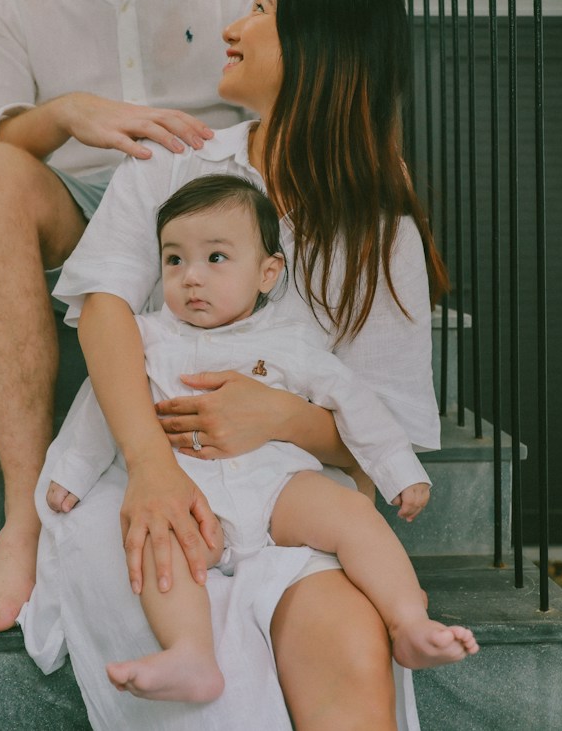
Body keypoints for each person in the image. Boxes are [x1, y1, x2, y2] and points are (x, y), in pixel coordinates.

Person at [22, 0, 450, 729]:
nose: (232, 26)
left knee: (355, 646)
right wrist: (152, 466)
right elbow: (105, 309)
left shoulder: (383, 237)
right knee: (209, 670)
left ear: (320, 54)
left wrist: (278, 415)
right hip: (152, 480)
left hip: (292, 499)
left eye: (260, 9)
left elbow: (389, 432)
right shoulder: (176, 162)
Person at [0, 0, 267, 636]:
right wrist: (68, 113)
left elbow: (289, 90)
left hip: (218, 207)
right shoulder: (12, 3)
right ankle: (22, 521)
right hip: (84, 209)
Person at [42, 174, 475, 704]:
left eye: (216, 258)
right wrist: (72, 472)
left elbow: (356, 404)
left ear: (267, 272)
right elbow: (100, 407)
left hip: (276, 489)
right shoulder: (146, 337)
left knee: (351, 515)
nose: (191, 277)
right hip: (192, 493)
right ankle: (190, 653)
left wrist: (400, 472)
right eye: (174, 260)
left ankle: (409, 622)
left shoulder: (289, 341)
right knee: (166, 547)